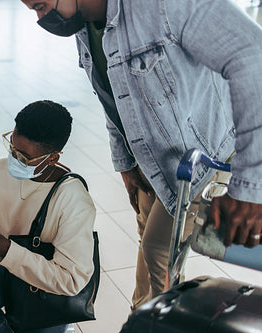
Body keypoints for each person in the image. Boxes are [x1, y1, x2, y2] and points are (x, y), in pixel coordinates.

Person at [20, 0, 262, 310]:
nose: (41, 18)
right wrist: (126, 164)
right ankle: (142, 316)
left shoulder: (163, 6)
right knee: (149, 248)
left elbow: (252, 56)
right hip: (152, 160)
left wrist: (250, 185)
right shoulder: (86, 27)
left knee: (158, 250)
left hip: (202, 156)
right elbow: (112, 97)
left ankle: (156, 321)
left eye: (41, 6)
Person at [0, 100, 96, 333]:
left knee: (37, 325)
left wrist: (7, 250)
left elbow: (71, 280)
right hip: (11, 268)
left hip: (51, 288)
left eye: (24, 157)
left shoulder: (73, 200)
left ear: (52, 159)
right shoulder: (0, 171)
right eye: (12, 148)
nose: (14, 160)